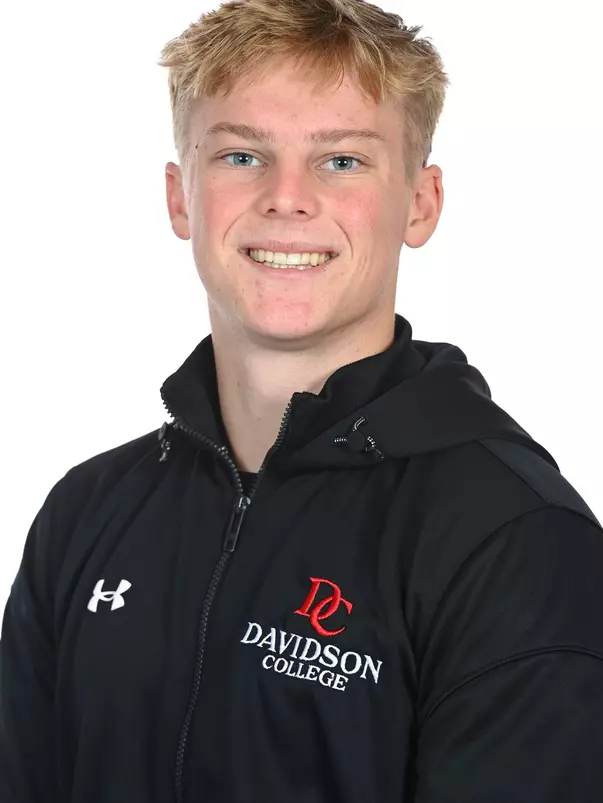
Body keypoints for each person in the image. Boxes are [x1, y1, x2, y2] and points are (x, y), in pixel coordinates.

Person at [1, 0, 602, 800]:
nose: (286, 197)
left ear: (420, 203)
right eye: (242, 155)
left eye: (342, 160)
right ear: (180, 198)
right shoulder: (86, 512)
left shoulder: (513, 540)